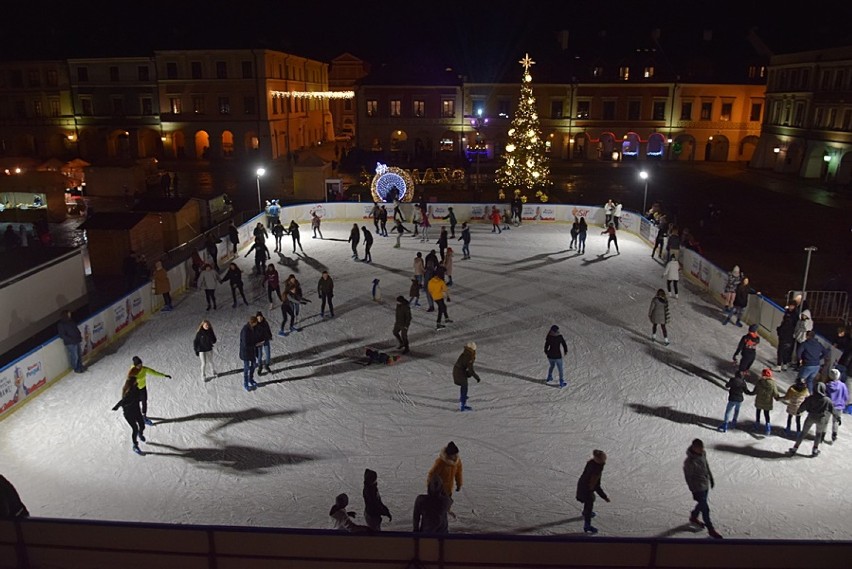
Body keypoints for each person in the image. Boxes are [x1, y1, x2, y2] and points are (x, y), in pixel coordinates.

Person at [683, 439, 722, 538]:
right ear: (694, 448)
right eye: (699, 448)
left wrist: (711, 478)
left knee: (702, 504)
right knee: (705, 509)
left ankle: (694, 516)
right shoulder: (689, 462)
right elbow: (688, 477)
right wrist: (693, 490)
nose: (702, 450)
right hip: (698, 488)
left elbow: (706, 466)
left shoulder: (703, 454)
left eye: (702, 447)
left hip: (705, 484)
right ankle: (711, 529)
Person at [789, 382, 834, 457]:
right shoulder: (827, 400)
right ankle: (815, 449)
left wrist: (799, 411)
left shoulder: (810, 398)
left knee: (803, 433)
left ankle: (795, 448)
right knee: (818, 434)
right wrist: (837, 418)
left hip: (811, 417)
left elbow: (803, 406)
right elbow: (832, 410)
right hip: (821, 419)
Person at [575, 449, 610, 535]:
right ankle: (587, 525)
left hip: (582, 484)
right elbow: (596, 486)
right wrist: (604, 497)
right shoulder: (596, 471)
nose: (605, 459)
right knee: (589, 504)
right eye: (603, 458)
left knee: (590, 500)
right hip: (586, 490)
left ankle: (585, 512)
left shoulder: (591, 462)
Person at [129, 355, 171, 425]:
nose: (140, 366)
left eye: (141, 364)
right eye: (139, 366)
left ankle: (144, 417)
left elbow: (154, 372)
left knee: (144, 401)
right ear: (135, 366)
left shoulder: (144, 369)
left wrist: (164, 375)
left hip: (143, 388)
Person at [112, 373, 147, 455]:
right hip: (129, 414)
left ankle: (140, 433)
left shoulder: (136, 388)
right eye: (136, 381)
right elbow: (122, 401)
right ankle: (135, 445)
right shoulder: (128, 393)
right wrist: (116, 407)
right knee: (135, 428)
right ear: (133, 382)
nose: (137, 381)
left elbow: (139, 397)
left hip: (137, 411)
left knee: (142, 425)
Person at [753, 368, 782, 435]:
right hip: (767, 401)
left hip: (759, 400)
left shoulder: (759, 382)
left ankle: (757, 425)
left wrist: (749, 392)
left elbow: (755, 391)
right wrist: (777, 398)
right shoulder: (773, 383)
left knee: (758, 412)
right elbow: (775, 393)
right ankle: (768, 427)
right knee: (766, 414)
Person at [452, 343, 480, 411]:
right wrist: (476, 377)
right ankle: (462, 405)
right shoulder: (469, 356)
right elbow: (471, 370)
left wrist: (468, 374)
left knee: (464, 386)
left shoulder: (465, 353)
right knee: (464, 387)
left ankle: (463, 402)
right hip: (460, 373)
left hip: (457, 371)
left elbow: (464, 365)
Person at [826, 368, 848, 442]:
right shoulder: (843, 385)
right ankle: (834, 434)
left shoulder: (828, 385)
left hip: (829, 406)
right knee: (836, 421)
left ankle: (822, 434)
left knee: (825, 421)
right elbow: (846, 396)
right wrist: (843, 403)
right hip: (839, 407)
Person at [775, 302, 798, 371]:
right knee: (783, 350)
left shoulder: (794, 315)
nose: (790, 307)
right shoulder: (787, 313)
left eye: (792, 306)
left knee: (783, 350)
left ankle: (780, 365)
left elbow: (790, 325)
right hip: (784, 334)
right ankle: (783, 364)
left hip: (787, 335)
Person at [239, 316, 259, 391]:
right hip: (246, 352)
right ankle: (245, 383)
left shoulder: (253, 328)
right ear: (253, 323)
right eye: (256, 323)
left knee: (253, 365)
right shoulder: (245, 330)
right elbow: (245, 343)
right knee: (246, 368)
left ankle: (251, 379)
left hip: (252, 351)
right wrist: (255, 345)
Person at [254, 312, 273, 376]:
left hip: (266, 340)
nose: (259, 319)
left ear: (262, 317)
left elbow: (268, 330)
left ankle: (267, 365)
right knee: (259, 355)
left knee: (268, 354)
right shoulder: (255, 324)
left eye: (260, 317)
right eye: (258, 317)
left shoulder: (265, 323)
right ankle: (260, 366)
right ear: (256, 318)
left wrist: (270, 336)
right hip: (259, 342)